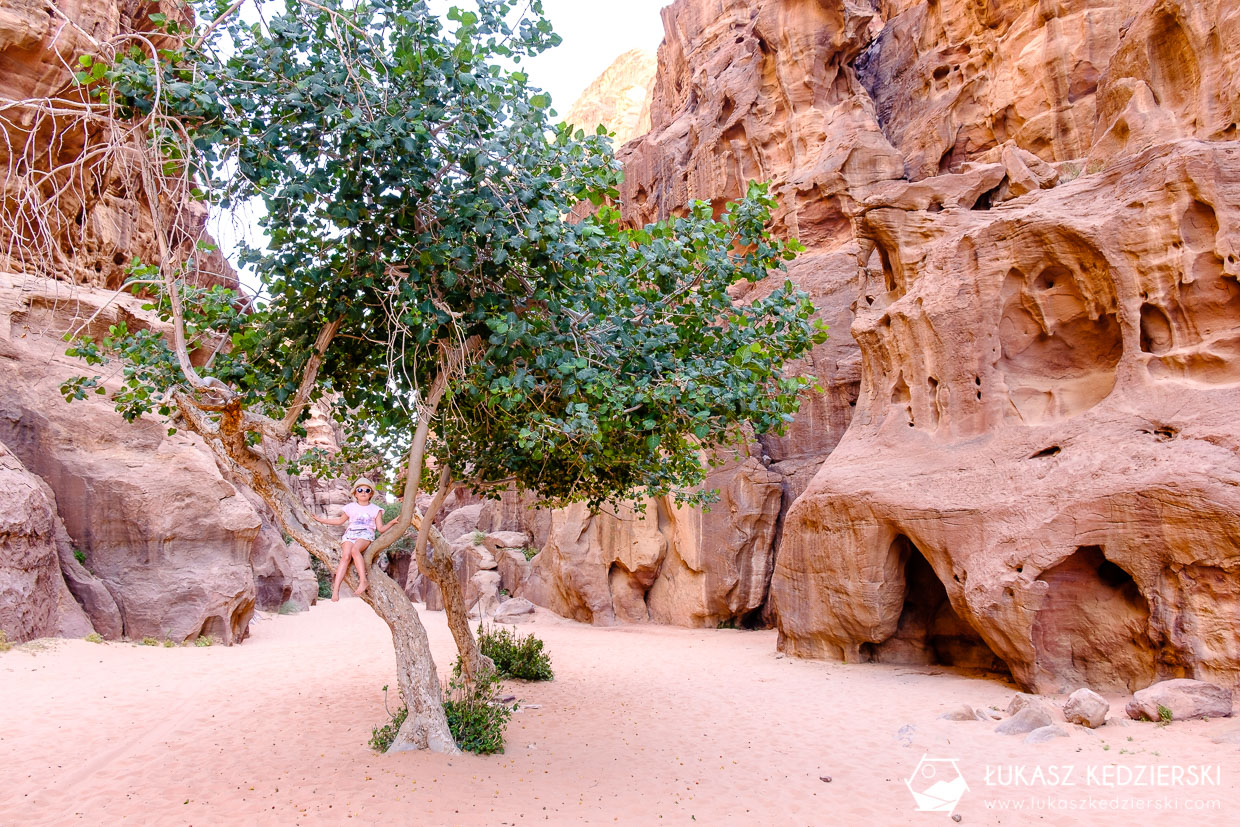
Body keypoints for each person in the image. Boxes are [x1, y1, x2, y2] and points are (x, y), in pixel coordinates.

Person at [313, 478, 390, 601]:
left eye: (367, 490)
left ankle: (363, 581)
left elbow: (380, 528)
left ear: (371, 493)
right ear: (355, 493)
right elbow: (339, 521)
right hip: (350, 534)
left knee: (355, 550)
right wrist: (321, 520)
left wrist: (393, 522)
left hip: (365, 534)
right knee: (345, 557)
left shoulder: (376, 509)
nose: (363, 492)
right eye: (360, 490)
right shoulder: (350, 507)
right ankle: (336, 590)